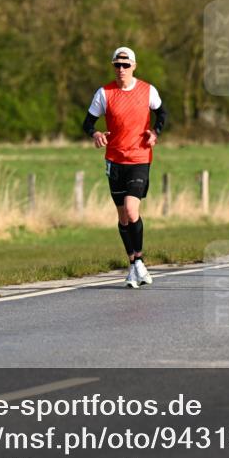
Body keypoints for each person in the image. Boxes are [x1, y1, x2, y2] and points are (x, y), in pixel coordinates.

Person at [83, 47, 167, 288]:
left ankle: (138, 260)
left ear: (134, 66)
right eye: (117, 65)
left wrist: (155, 132)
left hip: (139, 158)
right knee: (122, 216)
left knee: (131, 210)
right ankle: (133, 265)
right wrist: (96, 133)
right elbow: (87, 122)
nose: (121, 70)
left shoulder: (147, 90)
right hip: (114, 161)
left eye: (125, 65)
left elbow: (162, 113)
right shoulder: (105, 93)